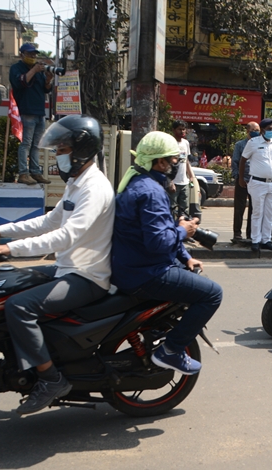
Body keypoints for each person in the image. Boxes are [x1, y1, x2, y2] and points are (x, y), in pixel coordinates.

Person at [0, 115, 115, 415]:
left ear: (81, 149)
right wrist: (2, 230)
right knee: (4, 281)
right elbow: (49, 221)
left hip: (87, 277)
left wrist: (8, 248)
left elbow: (64, 236)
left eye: (62, 149)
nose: (57, 155)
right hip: (67, 269)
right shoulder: (77, 183)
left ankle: (51, 379)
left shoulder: (95, 188)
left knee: (19, 306)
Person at [111, 131, 222, 375]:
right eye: (174, 162)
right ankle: (170, 350)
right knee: (213, 293)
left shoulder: (138, 182)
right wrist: (184, 231)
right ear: (160, 162)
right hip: (145, 274)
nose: (175, 166)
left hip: (132, 267)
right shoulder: (151, 193)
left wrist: (186, 256)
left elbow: (161, 231)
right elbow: (159, 242)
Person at [239, 118, 272, 253]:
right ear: (262, 130)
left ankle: (266, 240)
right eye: (269, 129)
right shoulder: (253, 143)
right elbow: (243, 161)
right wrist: (241, 178)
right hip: (257, 183)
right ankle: (255, 240)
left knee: (270, 213)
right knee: (257, 212)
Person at [9, 43, 53, 185]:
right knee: (26, 143)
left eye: (34, 54)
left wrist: (48, 79)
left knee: (36, 144)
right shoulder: (16, 68)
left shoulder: (39, 71)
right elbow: (20, 82)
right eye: (30, 54)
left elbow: (46, 90)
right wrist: (34, 70)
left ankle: (35, 172)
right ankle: (23, 173)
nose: (33, 57)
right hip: (26, 110)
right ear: (22, 54)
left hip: (40, 112)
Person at [231, 122, 259, 242]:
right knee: (239, 208)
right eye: (254, 129)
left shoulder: (260, 144)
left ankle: (251, 234)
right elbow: (235, 162)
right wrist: (238, 177)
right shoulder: (240, 145)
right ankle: (237, 234)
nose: (256, 132)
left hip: (256, 181)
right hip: (242, 180)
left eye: (258, 129)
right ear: (248, 131)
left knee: (254, 209)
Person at [171, 121, 197, 219]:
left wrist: (191, 176)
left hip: (184, 182)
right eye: (179, 129)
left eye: (183, 129)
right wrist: (170, 181)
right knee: (172, 209)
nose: (182, 131)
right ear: (174, 130)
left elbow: (186, 161)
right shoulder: (171, 143)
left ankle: (182, 230)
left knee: (184, 210)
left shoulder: (186, 143)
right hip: (173, 183)